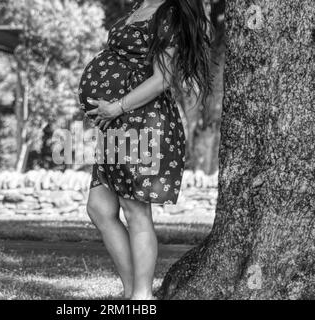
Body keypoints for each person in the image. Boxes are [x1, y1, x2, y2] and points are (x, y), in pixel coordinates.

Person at [78, 0, 211, 300]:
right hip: (117, 125)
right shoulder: (140, 6)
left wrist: (116, 106)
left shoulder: (169, 14)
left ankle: (141, 297)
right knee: (99, 208)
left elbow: (162, 79)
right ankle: (132, 293)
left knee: (136, 212)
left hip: (142, 122)